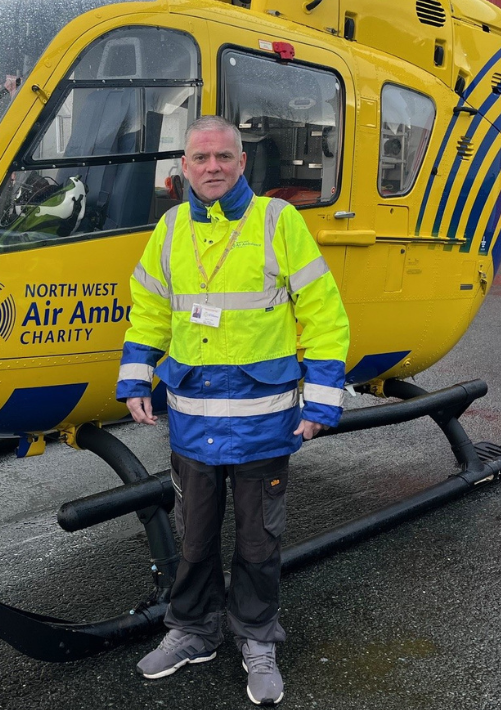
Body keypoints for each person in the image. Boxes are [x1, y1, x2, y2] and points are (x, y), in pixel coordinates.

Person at [116, 115, 349, 705]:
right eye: (201, 159)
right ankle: (192, 629)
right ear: (184, 167)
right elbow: (149, 308)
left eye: (223, 157)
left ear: (242, 162)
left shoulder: (278, 221)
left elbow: (323, 313)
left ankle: (256, 638)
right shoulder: (170, 229)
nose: (212, 168)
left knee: (257, 542)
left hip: (262, 421)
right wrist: (137, 375)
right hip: (193, 420)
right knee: (193, 539)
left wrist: (322, 398)